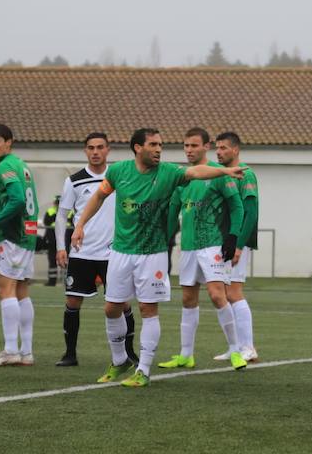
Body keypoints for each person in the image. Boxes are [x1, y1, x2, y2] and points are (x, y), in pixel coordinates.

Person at [73, 128, 243, 387]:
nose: (158, 149)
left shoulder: (168, 172)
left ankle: (144, 369)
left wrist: (224, 170)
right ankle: (120, 361)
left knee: (148, 310)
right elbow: (99, 195)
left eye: (160, 144)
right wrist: (80, 224)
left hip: (152, 254)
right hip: (120, 251)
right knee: (111, 309)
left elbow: (196, 172)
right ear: (137, 148)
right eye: (153, 144)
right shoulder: (119, 171)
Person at [159, 127, 247, 371]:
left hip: (213, 245)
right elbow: (172, 213)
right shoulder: (181, 179)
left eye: (194, 146)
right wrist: (164, 241)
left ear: (206, 147)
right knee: (188, 299)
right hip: (188, 247)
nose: (189, 150)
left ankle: (236, 351)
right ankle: (186, 355)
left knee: (217, 295)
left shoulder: (219, 174)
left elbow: (237, 208)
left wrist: (232, 237)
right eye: (186, 146)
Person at [54, 132, 137, 367]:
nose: (95, 152)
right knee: (72, 301)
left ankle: (129, 353)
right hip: (82, 252)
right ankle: (70, 354)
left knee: (122, 303)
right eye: (91, 148)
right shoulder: (74, 180)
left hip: (115, 252)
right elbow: (62, 216)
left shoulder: (119, 177)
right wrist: (61, 247)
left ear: (108, 150)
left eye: (100, 147)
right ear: (85, 151)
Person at [0, 124, 40, 367]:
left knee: (5, 290)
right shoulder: (21, 165)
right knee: (22, 291)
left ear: (9, 142)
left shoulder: (5, 166)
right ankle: (26, 352)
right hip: (28, 234)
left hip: (12, 237)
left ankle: (10, 350)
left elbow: (16, 200)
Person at [214, 131, 260, 362]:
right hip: (226, 241)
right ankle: (236, 347)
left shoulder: (246, 175)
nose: (219, 152)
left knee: (234, 292)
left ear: (235, 150)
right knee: (223, 293)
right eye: (217, 148)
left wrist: (240, 244)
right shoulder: (222, 174)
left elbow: (250, 212)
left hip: (237, 242)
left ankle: (248, 347)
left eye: (223, 148)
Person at [42, 196, 60, 286]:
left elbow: (71, 222)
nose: (58, 205)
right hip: (52, 240)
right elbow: (46, 222)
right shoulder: (50, 211)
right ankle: (52, 281)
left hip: (64, 239)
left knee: (66, 261)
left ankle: (67, 281)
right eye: (57, 203)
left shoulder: (69, 212)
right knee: (52, 260)